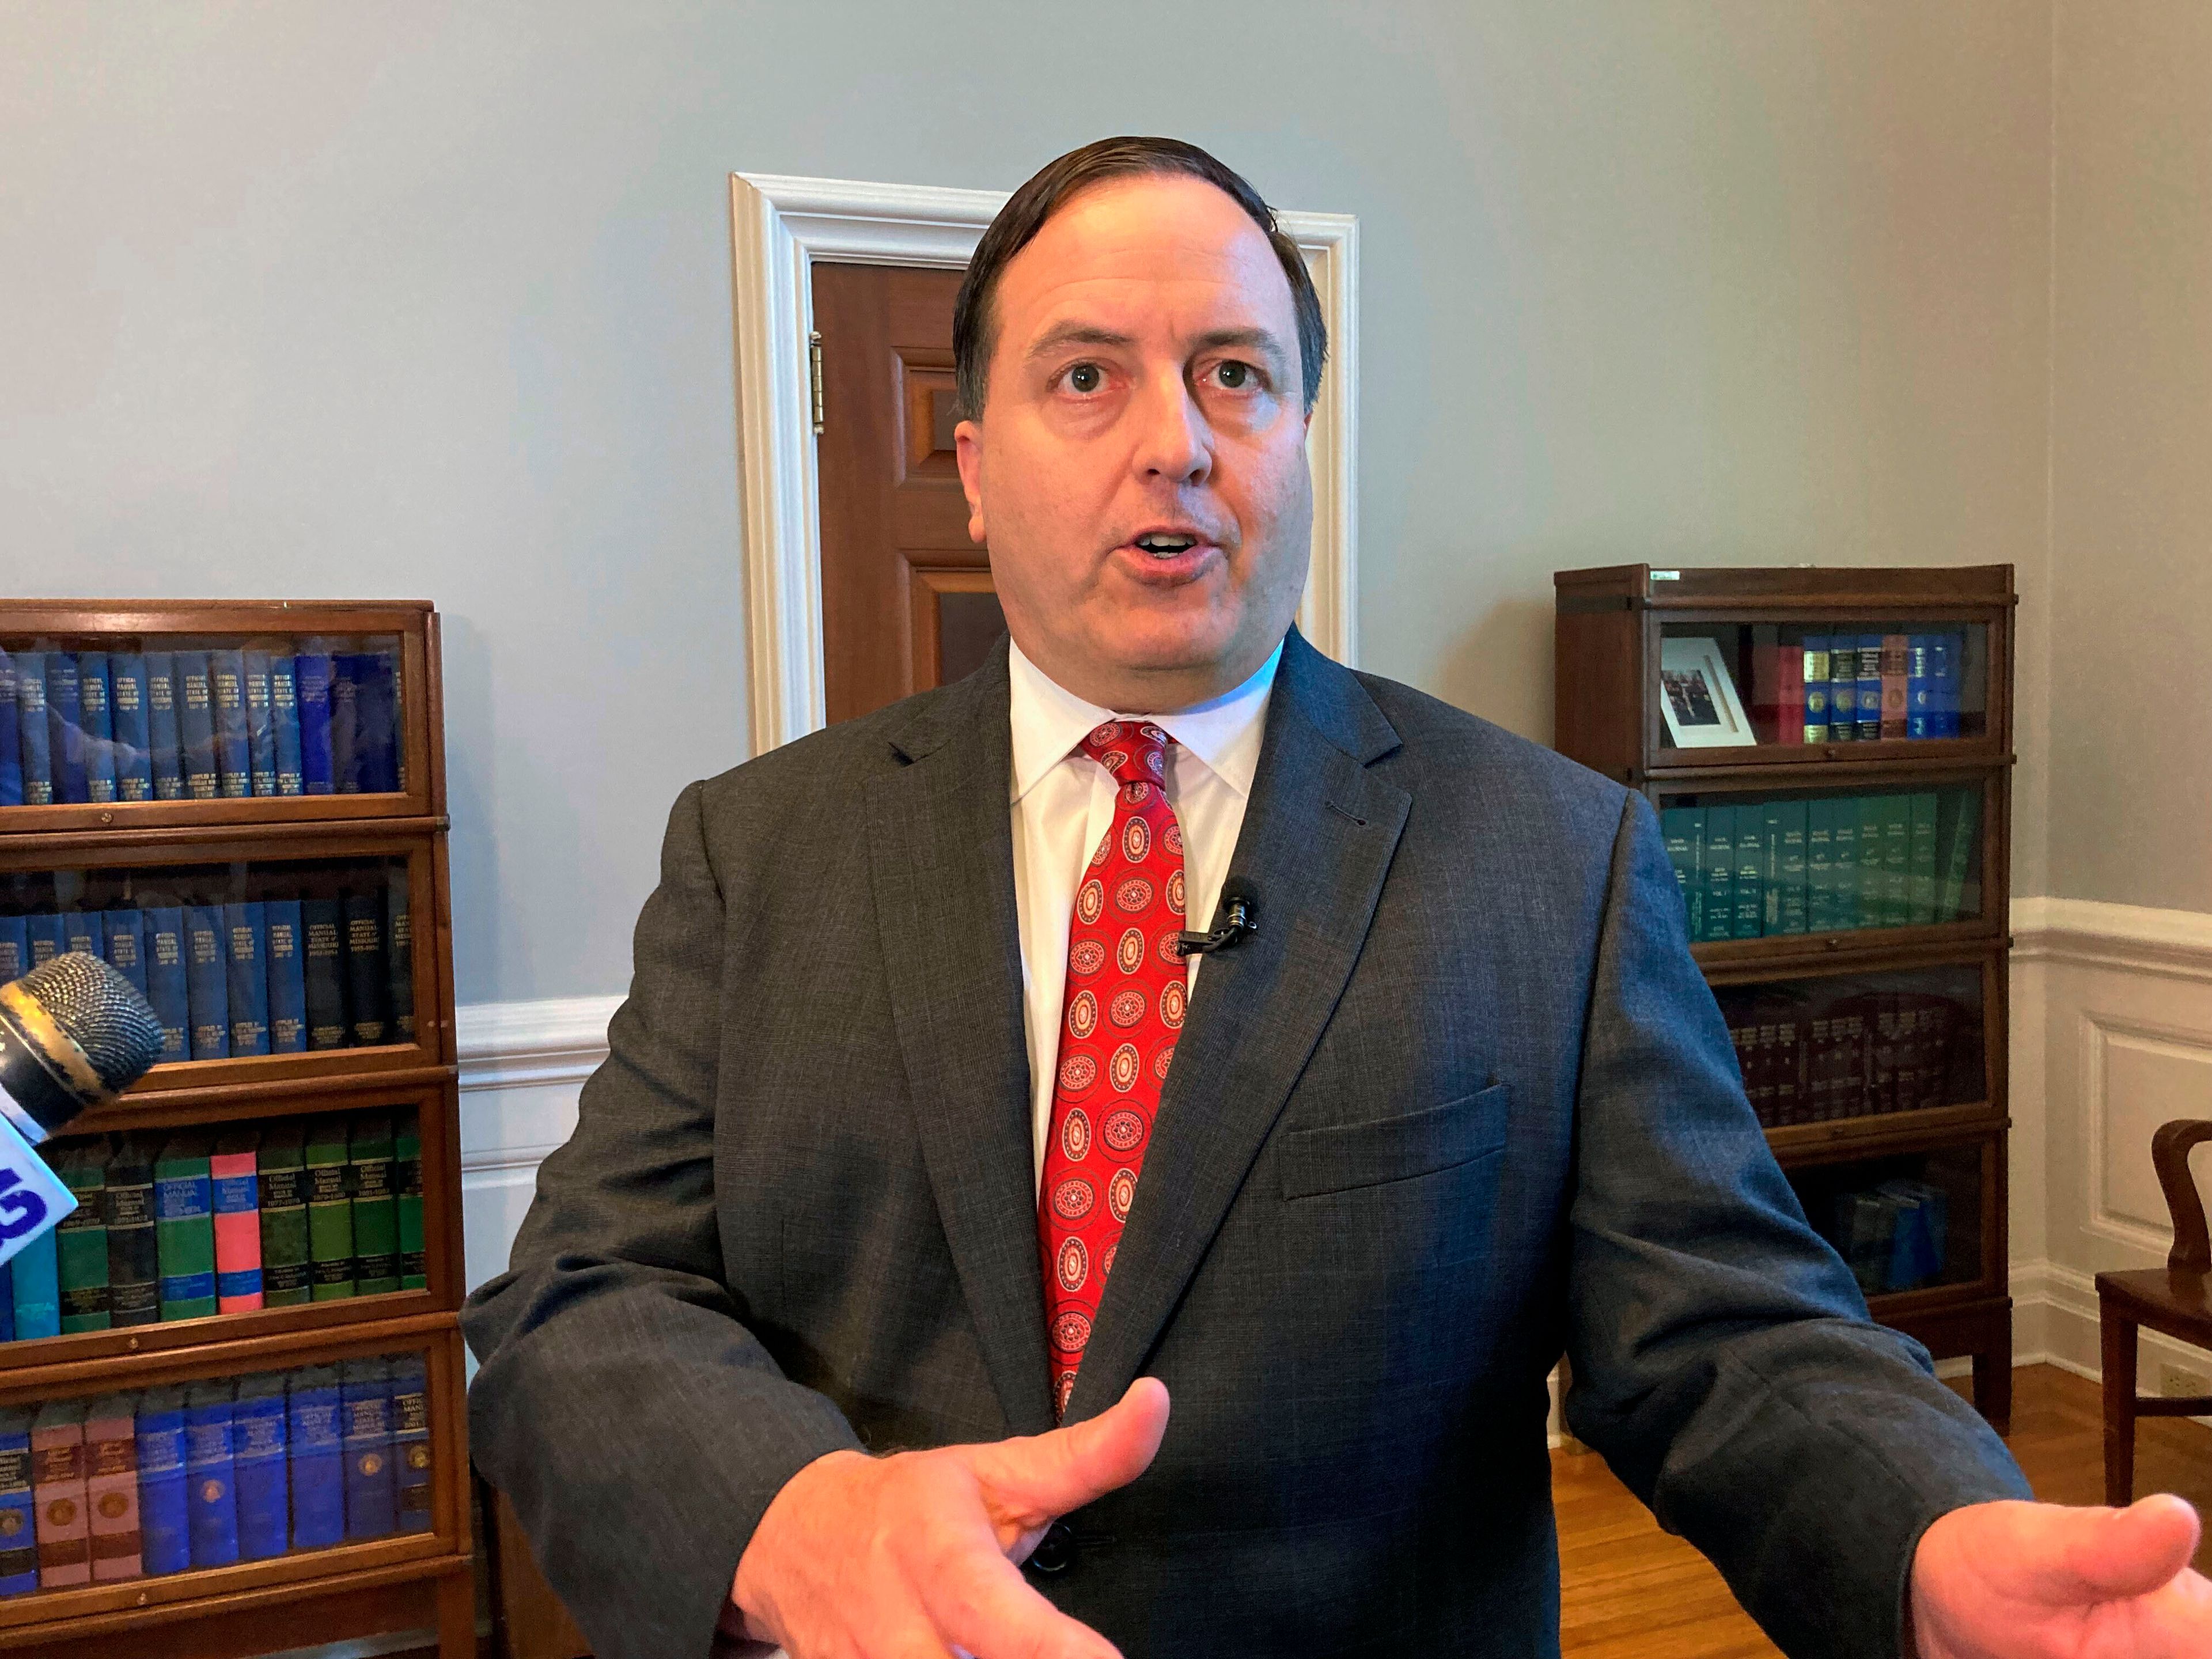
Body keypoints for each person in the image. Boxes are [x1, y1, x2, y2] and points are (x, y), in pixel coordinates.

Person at [461, 137, 2212, 1659]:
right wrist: (789, 1521)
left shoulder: (1553, 856)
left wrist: (1927, 1534)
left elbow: (1727, 1327)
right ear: (976, 460)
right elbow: (578, 1298)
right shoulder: (757, 853)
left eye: (1236, 375)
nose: (1177, 442)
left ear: (1299, 430)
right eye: (1088, 377)